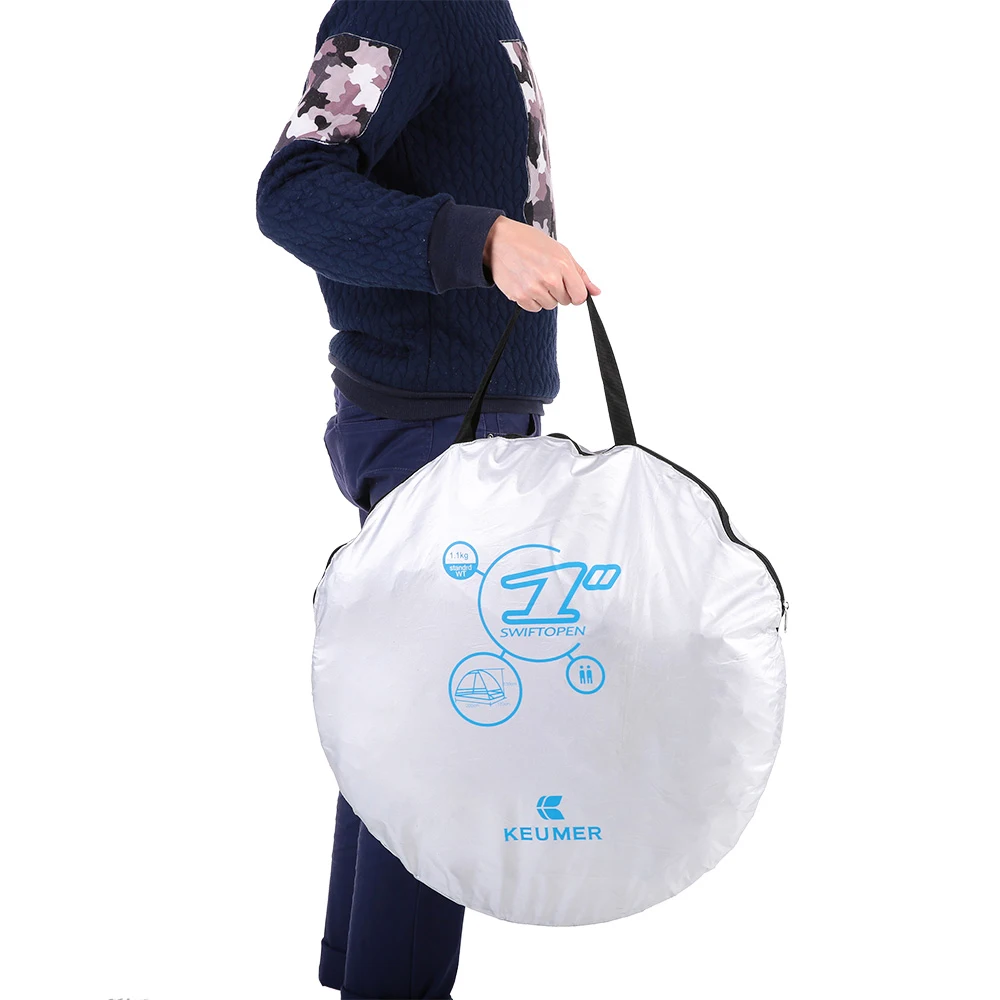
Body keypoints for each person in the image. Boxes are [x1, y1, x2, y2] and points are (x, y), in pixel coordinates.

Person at [256, 2, 598, 996]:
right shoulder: (403, 2)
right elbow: (294, 191)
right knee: (436, 750)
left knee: (407, 730)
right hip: (431, 436)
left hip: (476, 425)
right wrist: (478, 238)